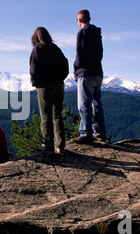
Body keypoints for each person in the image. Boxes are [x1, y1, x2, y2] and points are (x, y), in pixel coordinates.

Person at [29, 27, 69, 154]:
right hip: (59, 85)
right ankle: (60, 145)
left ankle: (47, 144)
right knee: (57, 114)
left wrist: (35, 83)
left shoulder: (37, 49)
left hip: (44, 87)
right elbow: (65, 64)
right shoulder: (56, 49)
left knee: (46, 116)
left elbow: (33, 68)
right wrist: (61, 78)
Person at [72, 9, 106, 144]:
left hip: (86, 73)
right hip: (98, 72)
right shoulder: (97, 34)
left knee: (84, 104)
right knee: (97, 103)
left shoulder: (82, 33)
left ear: (79, 20)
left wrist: (76, 68)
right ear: (89, 19)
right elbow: (101, 54)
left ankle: (86, 133)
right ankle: (100, 133)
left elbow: (79, 54)